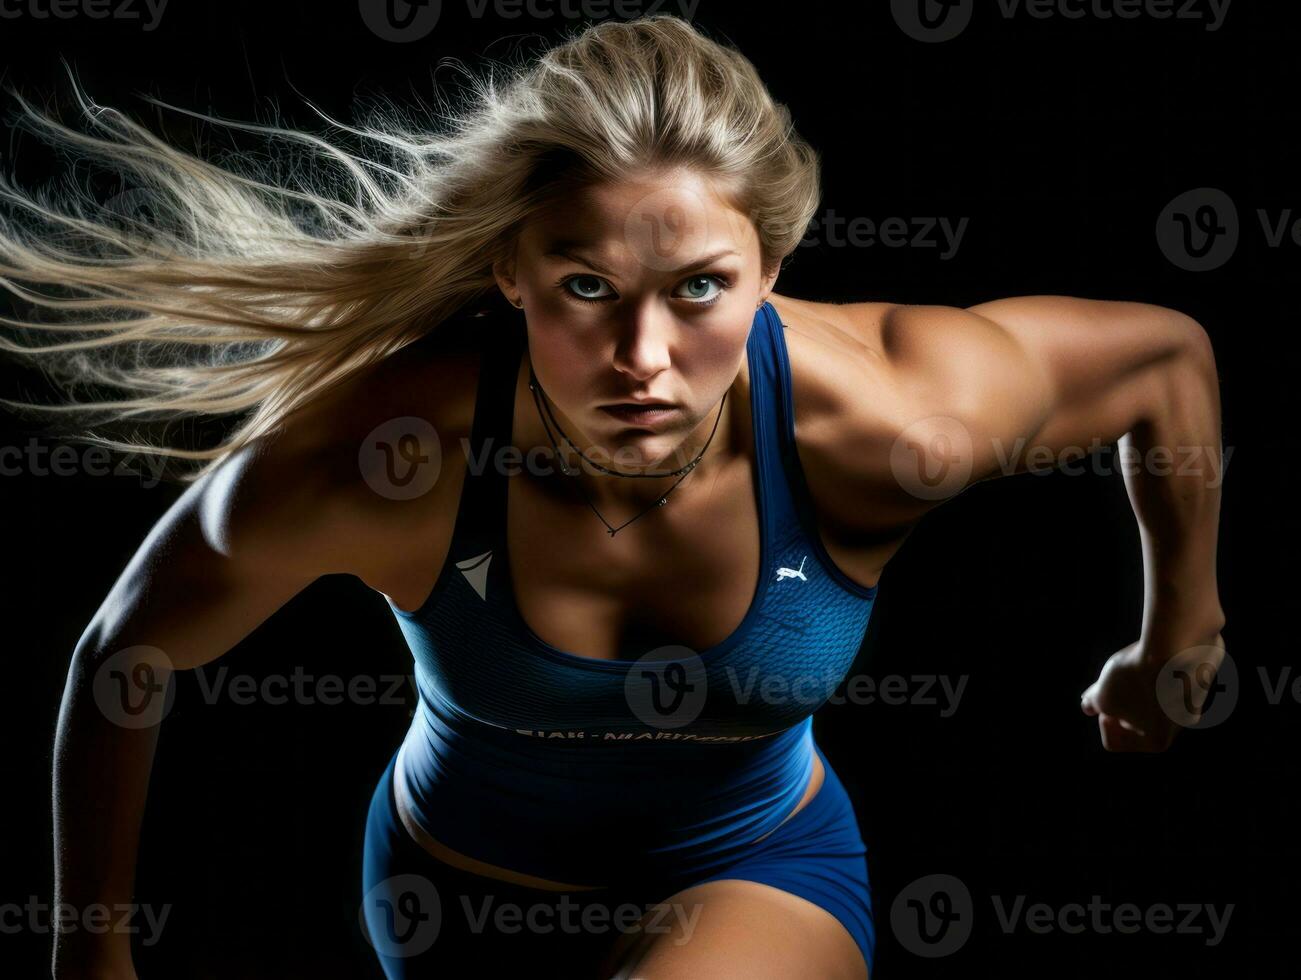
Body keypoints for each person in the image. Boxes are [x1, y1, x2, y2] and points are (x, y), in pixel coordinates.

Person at [3, 15, 1225, 980]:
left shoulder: (887, 423)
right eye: (587, 284)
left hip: (762, 863)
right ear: (510, 270)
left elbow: (1165, 362)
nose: (642, 354)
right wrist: (92, 951)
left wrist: (1180, 630)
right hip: (454, 900)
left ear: (769, 274)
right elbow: (127, 655)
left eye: (698, 287)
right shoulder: (388, 458)